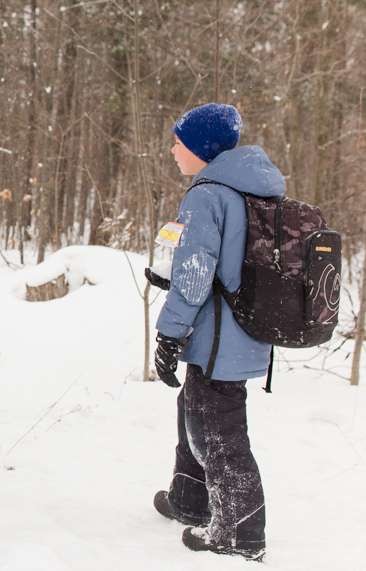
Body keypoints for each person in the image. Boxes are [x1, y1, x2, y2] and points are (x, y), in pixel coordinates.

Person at [150, 103, 285, 561]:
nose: (172, 150)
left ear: (202, 150)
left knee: (218, 429)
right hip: (246, 329)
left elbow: (195, 276)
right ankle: (191, 498)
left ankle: (240, 531)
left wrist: (168, 334)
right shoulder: (253, 189)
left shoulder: (207, 194)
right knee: (196, 407)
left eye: (180, 143)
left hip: (218, 338)